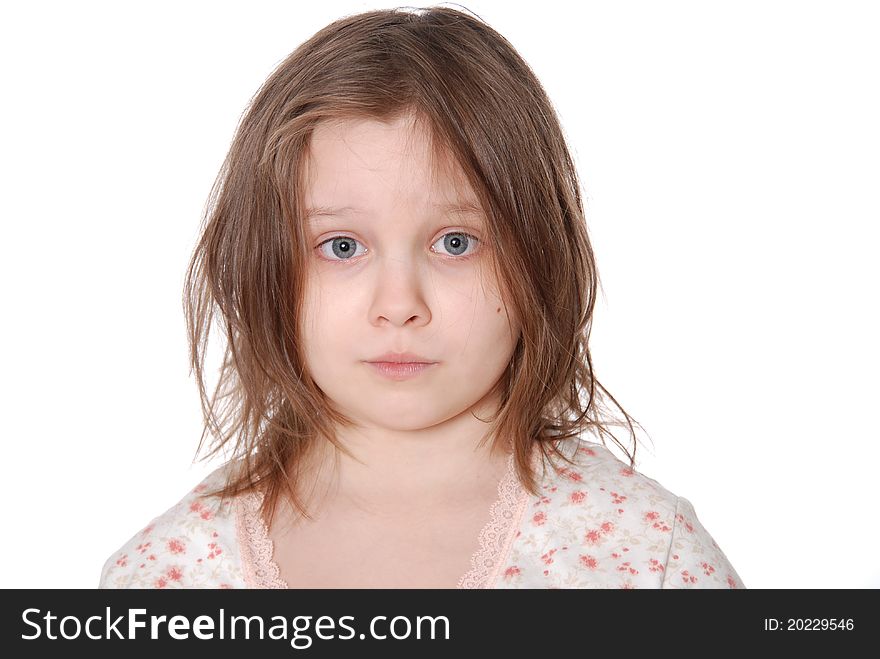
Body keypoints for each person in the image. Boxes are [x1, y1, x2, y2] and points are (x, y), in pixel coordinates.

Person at [99, 5, 744, 589]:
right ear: (263, 266)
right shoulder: (165, 576)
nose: (399, 304)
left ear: (539, 257)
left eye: (456, 243)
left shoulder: (644, 553)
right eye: (342, 247)